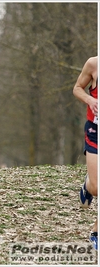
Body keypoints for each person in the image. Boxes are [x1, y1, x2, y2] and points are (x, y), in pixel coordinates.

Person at [72, 56, 98, 251]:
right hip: (95, 131)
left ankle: (96, 231)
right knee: (97, 187)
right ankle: (88, 186)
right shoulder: (93, 64)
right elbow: (77, 88)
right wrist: (89, 99)